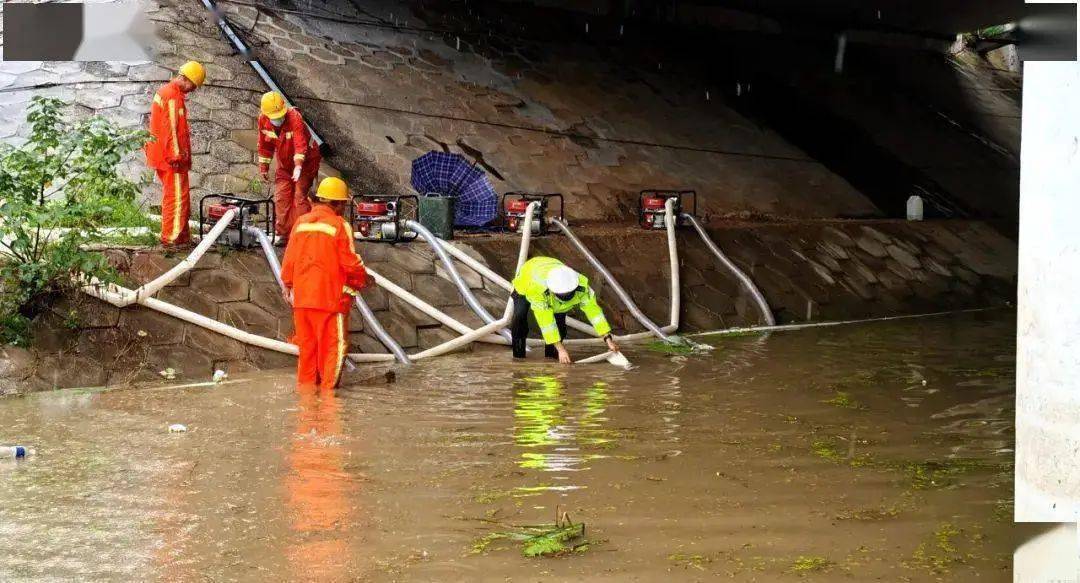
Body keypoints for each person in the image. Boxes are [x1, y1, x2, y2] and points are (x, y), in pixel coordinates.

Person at [280, 177, 367, 390]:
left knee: (307, 353)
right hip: (330, 301)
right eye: (344, 204)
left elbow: (289, 259)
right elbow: (351, 263)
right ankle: (330, 409)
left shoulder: (301, 223)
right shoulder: (339, 225)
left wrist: (288, 285)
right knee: (332, 353)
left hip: (302, 301)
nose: (345, 208)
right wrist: (363, 280)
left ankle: (307, 407)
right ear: (336, 203)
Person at [510, 256, 620, 364]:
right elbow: (546, 322)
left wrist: (608, 339)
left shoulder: (582, 285)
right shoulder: (538, 289)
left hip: (551, 271)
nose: (566, 295)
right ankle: (519, 357)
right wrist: (561, 350)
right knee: (520, 316)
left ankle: (551, 359)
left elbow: (595, 314)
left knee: (559, 325)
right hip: (526, 280)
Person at [145, 60, 204, 246]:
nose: (193, 90)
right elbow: (171, 129)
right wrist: (176, 156)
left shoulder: (167, 92)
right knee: (177, 198)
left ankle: (182, 236)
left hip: (162, 155)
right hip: (171, 160)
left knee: (177, 196)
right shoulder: (172, 97)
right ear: (187, 80)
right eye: (193, 86)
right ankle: (172, 239)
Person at [256, 91, 322, 246]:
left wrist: (298, 166)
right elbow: (264, 145)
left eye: (280, 115)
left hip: (306, 164)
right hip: (285, 166)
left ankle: (302, 234)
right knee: (281, 198)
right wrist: (264, 167)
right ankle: (285, 234)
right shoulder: (263, 121)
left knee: (299, 197)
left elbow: (300, 144)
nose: (278, 119)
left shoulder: (294, 118)